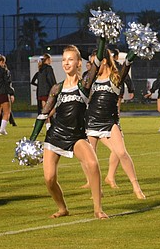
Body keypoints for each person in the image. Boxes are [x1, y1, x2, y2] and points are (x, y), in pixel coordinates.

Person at [26, 44, 107, 219]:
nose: (66, 63)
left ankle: (98, 209)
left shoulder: (84, 85)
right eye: (64, 60)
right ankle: (62, 208)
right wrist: (32, 139)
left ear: (78, 63)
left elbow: (97, 62)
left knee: (93, 164)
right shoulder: (57, 88)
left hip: (76, 136)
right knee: (49, 179)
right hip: (55, 135)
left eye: (70, 59)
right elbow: (44, 114)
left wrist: (102, 38)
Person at [86, 45, 145, 200]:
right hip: (91, 121)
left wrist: (137, 47)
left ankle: (136, 187)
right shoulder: (91, 79)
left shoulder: (115, 78)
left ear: (104, 61)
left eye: (95, 63)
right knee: (91, 160)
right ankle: (96, 190)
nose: (92, 67)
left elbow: (127, 63)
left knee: (121, 153)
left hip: (109, 121)